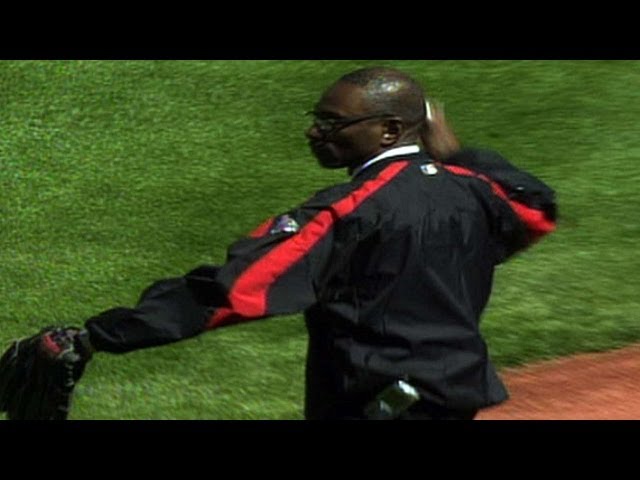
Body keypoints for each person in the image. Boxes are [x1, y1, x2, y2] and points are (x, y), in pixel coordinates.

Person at [17, 67, 559, 420]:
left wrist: (95, 337)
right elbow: (535, 208)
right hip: (455, 396)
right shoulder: (475, 193)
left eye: (332, 122)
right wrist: (457, 154)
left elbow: (236, 291)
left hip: (377, 407)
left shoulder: (349, 210)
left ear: (390, 131)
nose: (313, 132)